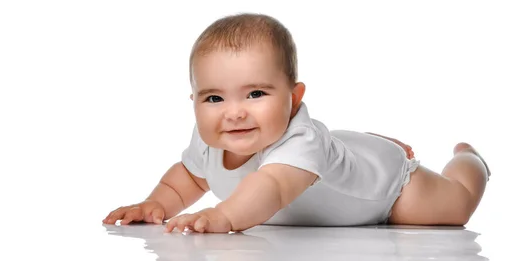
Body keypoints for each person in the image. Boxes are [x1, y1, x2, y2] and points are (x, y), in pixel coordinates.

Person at [102, 13, 490, 233]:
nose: (233, 112)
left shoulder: (299, 142)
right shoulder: (212, 139)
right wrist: (155, 204)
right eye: (214, 98)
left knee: (454, 207)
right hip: (336, 150)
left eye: (255, 94)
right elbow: (186, 178)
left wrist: (223, 216)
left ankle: (471, 161)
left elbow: (270, 187)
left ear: (294, 99)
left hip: (390, 190)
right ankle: (366, 142)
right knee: (329, 145)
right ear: (195, 102)